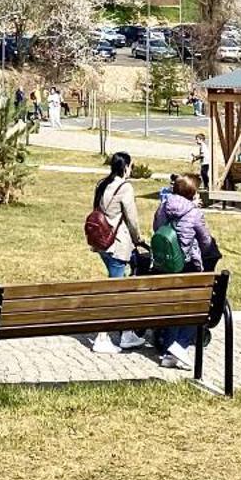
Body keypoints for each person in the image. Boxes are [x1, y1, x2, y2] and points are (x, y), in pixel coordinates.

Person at [151, 175, 217, 371]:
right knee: (196, 308)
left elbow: (156, 227)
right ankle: (179, 346)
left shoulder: (164, 205)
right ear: (192, 194)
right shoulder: (194, 213)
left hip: (165, 263)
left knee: (173, 307)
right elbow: (205, 241)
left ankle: (167, 351)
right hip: (186, 264)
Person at [88, 152, 148, 353]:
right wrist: (139, 239)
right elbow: (132, 219)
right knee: (116, 291)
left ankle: (126, 333)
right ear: (126, 167)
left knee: (119, 285)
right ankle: (102, 336)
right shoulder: (125, 188)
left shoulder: (102, 184)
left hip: (102, 242)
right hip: (117, 244)